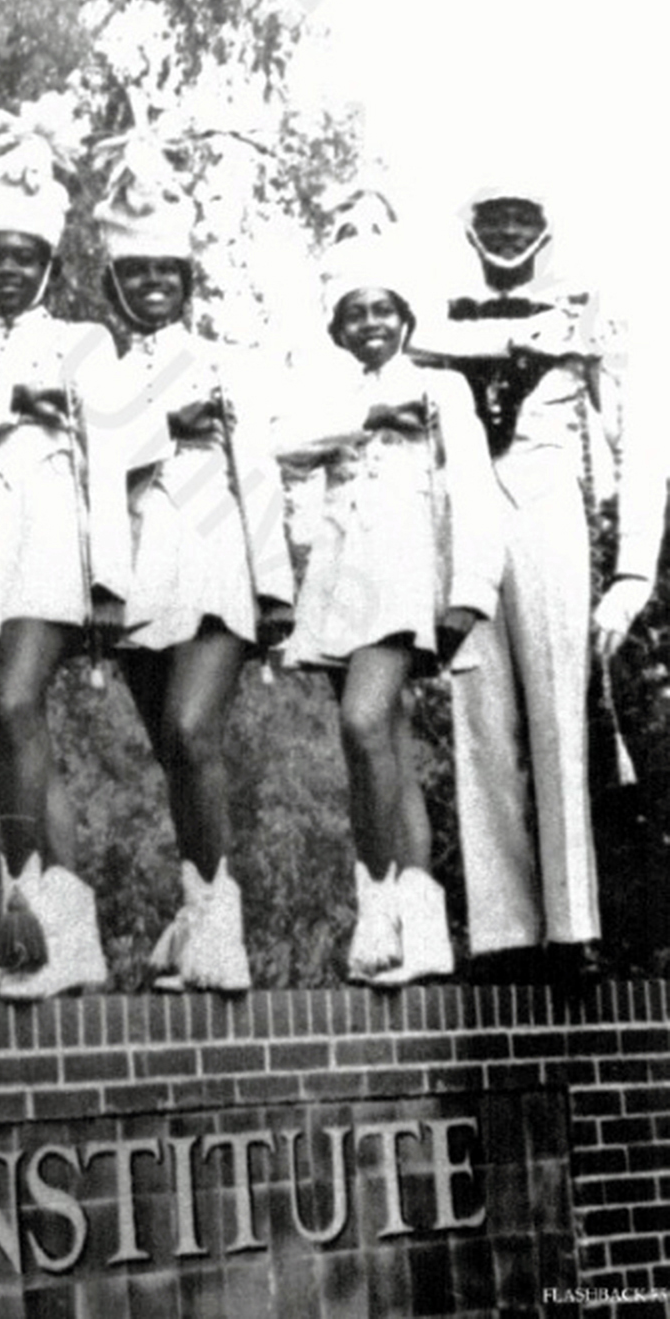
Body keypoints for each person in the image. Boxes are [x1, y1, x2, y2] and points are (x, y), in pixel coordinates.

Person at [412, 185, 664, 986]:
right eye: (492, 218)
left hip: (548, 513)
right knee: (478, 714)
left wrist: (631, 569)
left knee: (560, 713)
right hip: (466, 520)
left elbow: (642, 435)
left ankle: (571, 928)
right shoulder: (436, 315)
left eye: (521, 216)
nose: (508, 231)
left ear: (546, 224)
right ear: (470, 227)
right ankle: (502, 934)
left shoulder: (584, 311)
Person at [277, 208, 502, 987]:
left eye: (382, 310)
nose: (370, 324)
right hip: (341, 582)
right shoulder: (330, 394)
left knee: (362, 721)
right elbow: (281, 447)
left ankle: (378, 905)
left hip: (408, 582)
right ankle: (423, 928)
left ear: (405, 317)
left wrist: (470, 591)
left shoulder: (440, 389)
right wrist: (365, 415)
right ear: (338, 327)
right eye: (354, 313)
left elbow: (474, 492)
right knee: (384, 752)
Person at [0, 108, 127, 1001]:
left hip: (53, 536)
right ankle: (71, 935)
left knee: (16, 702)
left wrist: (110, 582)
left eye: (24, 254)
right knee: (16, 731)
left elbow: (114, 457)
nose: (7, 268)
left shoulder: (86, 342)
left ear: (49, 261)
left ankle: (22, 907)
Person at [91, 141, 293, 994]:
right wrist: (163, 423)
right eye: (133, 274)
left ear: (185, 278)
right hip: (139, 572)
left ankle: (220, 923)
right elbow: (99, 466)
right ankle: (194, 904)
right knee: (169, 753)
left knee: (190, 730)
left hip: (215, 561)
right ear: (114, 283)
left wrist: (274, 587)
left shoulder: (224, 360)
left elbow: (258, 473)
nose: (149, 287)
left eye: (163, 273)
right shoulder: (97, 370)